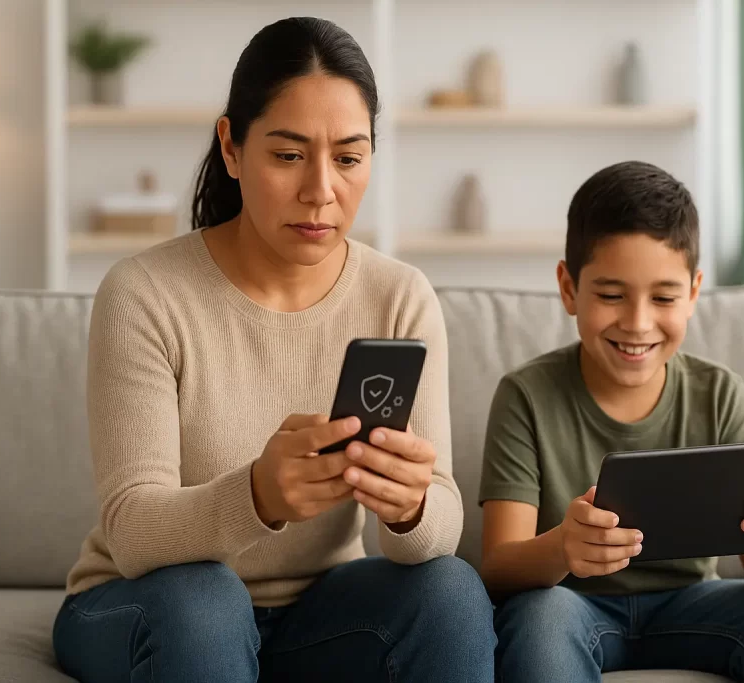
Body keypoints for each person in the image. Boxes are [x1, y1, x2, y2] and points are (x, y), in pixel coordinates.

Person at [52, 17, 494, 683]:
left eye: (348, 157)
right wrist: (258, 493)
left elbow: (442, 521)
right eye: (288, 155)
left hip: (317, 612)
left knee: (452, 591)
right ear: (231, 146)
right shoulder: (145, 293)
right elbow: (133, 532)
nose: (322, 190)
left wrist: (410, 507)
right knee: (208, 599)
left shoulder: (400, 296)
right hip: (146, 602)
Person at [478, 161, 744, 682]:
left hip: (695, 602)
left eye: (664, 298)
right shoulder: (526, 396)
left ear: (694, 293)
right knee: (536, 623)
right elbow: (498, 569)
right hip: (570, 605)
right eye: (610, 295)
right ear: (568, 288)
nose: (638, 323)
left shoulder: (718, 395)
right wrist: (563, 546)